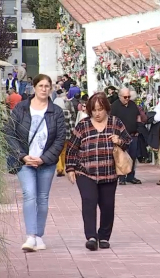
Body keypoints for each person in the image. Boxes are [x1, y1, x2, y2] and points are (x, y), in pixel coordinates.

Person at [5, 74, 66, 252]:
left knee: (43, 198)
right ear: (34, 87)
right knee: (29, 194)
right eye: (40, 86)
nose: (44, 89)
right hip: (25, 161)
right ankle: (30, 236)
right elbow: (10, 133)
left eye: (47, 86)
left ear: (51, 89)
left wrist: (44, 158)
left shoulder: (56, 111)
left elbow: (60, 138)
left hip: (45, 162)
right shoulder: (21, 108)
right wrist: (23, 155)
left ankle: (39, 235)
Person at [65, 93, 132, 251]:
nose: (97, 113)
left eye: (100, 110)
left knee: (107, 205)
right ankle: (91, 236)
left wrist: (119, 141)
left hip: (109, 172)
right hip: (86, 172)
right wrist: (70, 168)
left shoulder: (115, 123)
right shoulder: (83, 125)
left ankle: (104, 236)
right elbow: (72, 147)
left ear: (106, 109)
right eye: (94, 110)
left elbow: (128, 141)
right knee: (89, 202)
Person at [110, 88, 143, 185]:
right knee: (122, 156)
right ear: (120, 96)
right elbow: (111, 121)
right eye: (125, 97)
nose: (127, 99)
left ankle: (131, 176)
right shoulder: (115, 106)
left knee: (132, 156)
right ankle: (122, 177)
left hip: (133, 135)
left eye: (129, 97)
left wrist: (138, 129)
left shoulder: (132, 105)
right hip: (121, 136)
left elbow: (138, 117)